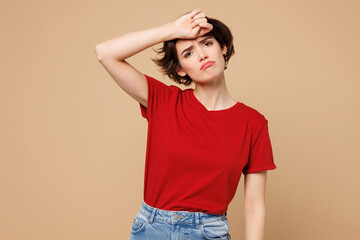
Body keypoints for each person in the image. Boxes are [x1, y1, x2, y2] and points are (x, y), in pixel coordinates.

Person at [95, 8, 277, 240]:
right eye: (188, 53)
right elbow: (105, 53)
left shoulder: (253, 123)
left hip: (209, 232)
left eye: (207, 43)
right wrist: (171, 30)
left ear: (222, 48)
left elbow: (254, 207)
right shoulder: (164, 101)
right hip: (152, 230)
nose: (201, 55)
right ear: (180, 69)